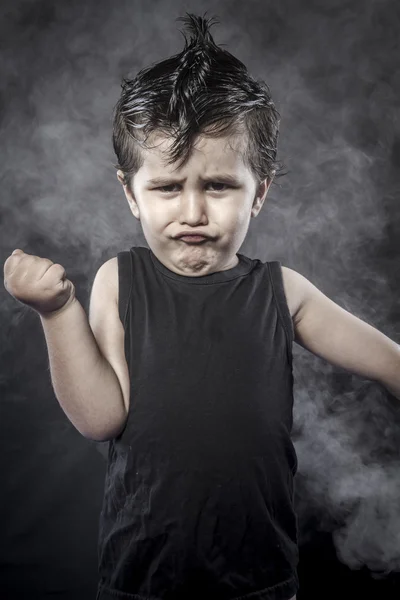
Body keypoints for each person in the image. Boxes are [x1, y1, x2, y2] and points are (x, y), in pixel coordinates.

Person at [5, 11, 399, 600]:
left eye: (218, 186)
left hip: (261, 580)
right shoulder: (122, 279)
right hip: (143, 577)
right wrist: (57, 312)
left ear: (259, 191)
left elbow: (393, 363)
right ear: (130, 194)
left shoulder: (281, 290)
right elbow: (101, 419)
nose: (192, 212)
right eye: (167, 187)